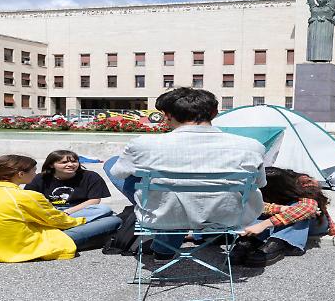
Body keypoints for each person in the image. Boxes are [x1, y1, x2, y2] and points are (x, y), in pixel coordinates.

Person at [106, 87, 266, 261]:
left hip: (162, 214)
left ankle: (165, 245)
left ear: (167, 115)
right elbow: (260, 183)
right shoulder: (251, 146)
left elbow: (118, 173)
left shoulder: (143, 145)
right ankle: (166, 242)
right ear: (214, 113)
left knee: (112, 164)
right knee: (178, 193)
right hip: (228, 216)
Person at [0, 155, 122, 263]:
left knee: (100, 212)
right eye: (33, 171)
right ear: (20, 174)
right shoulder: (25, 196)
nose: (36, 174)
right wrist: (82, 221)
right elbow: (61, 221)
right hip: (18, 249)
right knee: (112, 219)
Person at [235, 167, 335, 267]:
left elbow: (309, 207)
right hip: (290, 213)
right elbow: (254, 205)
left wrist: (263, 225)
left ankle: (278, 243)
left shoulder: (303, 183)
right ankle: (251, 240)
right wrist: (281, 208)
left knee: (299, 212)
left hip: (316, 223)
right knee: (262, 211)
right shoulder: (260, 187)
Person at [25, 150, 113, 222]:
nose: (71, 165)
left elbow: (94, 200)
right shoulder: (40, 178)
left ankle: (59, 221)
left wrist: (66, 212)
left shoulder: (91, 176)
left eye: (74, 161)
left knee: (104, 209)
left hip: (78, 210)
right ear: (51, 165)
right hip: (50, 210)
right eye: (64, 162)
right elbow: (29, 198)